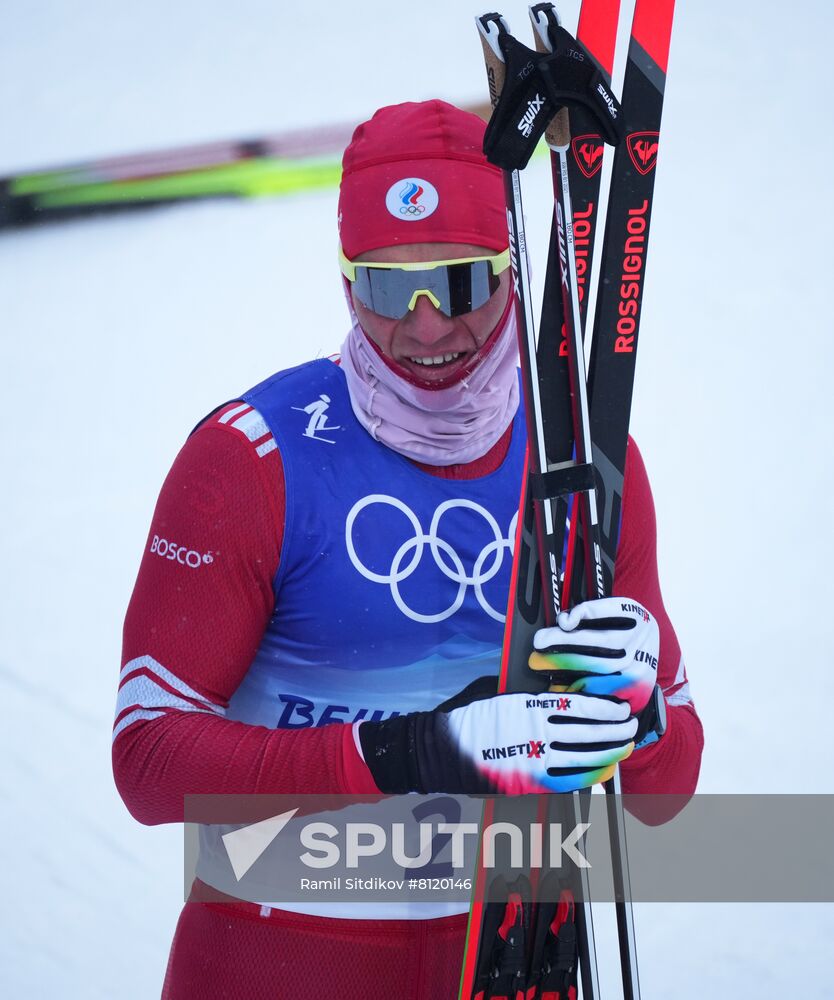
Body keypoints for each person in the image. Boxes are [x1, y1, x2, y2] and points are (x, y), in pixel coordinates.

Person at [113, 99, 703, 999]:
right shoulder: (253, 458)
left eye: (463, 282)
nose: (428, 328)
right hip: (275, 963)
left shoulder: (582, 462)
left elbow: (667, 792)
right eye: (390, 288)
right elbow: (148, 761)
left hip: (514, 959)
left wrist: (637, 707)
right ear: (346, 284)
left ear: (512, 270)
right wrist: (412, 753)